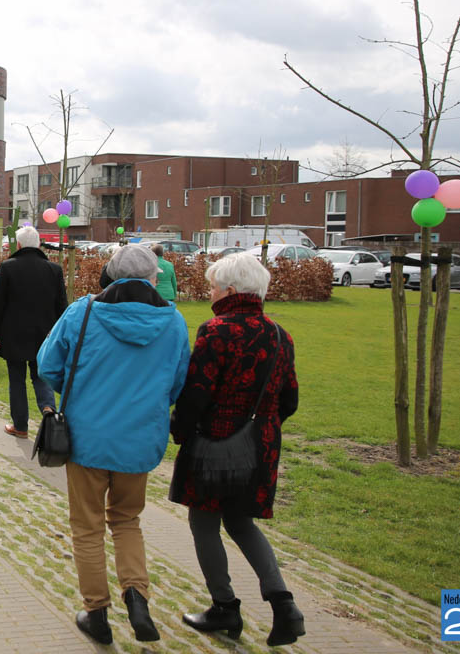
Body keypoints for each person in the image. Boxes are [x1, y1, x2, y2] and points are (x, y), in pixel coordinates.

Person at [37, 245, 190, 645]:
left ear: (110, 274)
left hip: (87, 436)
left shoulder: (83, 312)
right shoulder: (173, 322)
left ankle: (97, 611)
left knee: (87, 526)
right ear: (154, 277)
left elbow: (48, 364)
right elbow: (177, 383)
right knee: (126, 520)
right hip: (139, 439)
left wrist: (76, 390)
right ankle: (137, 596)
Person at [169, 253, 304, 647]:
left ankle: (224, 605)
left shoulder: (216, 331)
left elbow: (197, 393)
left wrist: (179, 430)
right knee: (242, 522)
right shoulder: (280, 335)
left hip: (215, 444)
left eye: (213, 287)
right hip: (260, 445)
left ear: (230, 291)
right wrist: (261, 428)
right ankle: (285, 607)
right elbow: (290, 399)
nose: (210, 293)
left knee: (204, 523)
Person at [0, 225, 66, 437]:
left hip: (14, 333)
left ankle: (20, 426)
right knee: (41, 376)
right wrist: (60, 335)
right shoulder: (54, 269)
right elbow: (61, 305)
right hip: (44, 333)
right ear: (38, 244)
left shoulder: (8, 267)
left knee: (17, 380)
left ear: (18, 245)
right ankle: (48, 409)